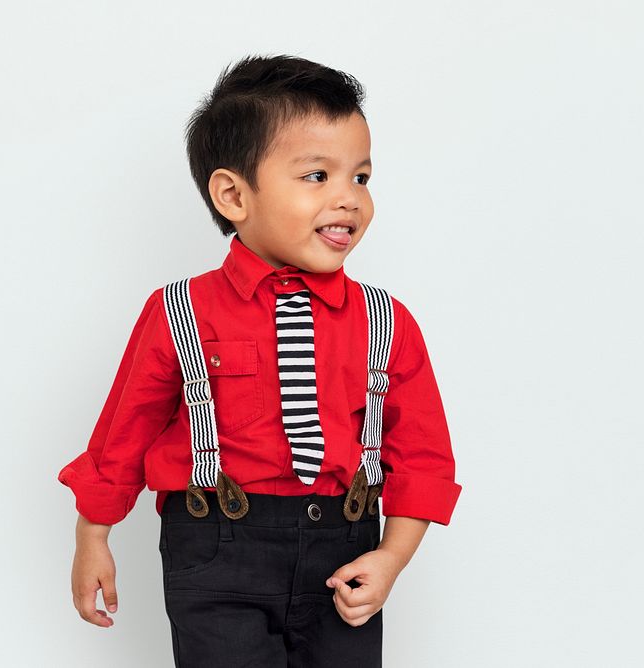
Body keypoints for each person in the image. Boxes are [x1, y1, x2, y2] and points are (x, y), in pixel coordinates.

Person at [57, 54, 462, 667]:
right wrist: (94, 534)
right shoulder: (180, 310)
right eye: (317, 176)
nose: (348, 200)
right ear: (233, 195)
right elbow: (124, 431)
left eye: (361, 177)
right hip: (217, 546)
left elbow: (424, 454)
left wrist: (391, 558)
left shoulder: (388, 321)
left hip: (343, 550)